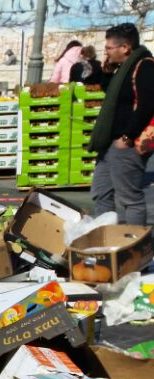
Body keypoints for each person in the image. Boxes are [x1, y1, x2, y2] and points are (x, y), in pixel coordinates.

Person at [90, 22, 154, 226]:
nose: (106, 52)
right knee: (101, 192)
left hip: (128, 143)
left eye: (109, 48)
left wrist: (127, 137)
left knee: (129, 198)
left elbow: (147, 105)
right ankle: (107, 237)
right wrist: (107, 72)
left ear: (125, 47)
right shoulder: (123, 69)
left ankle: (135, 242)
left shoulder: (145, 66)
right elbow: (113, 96)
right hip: (110, 142)